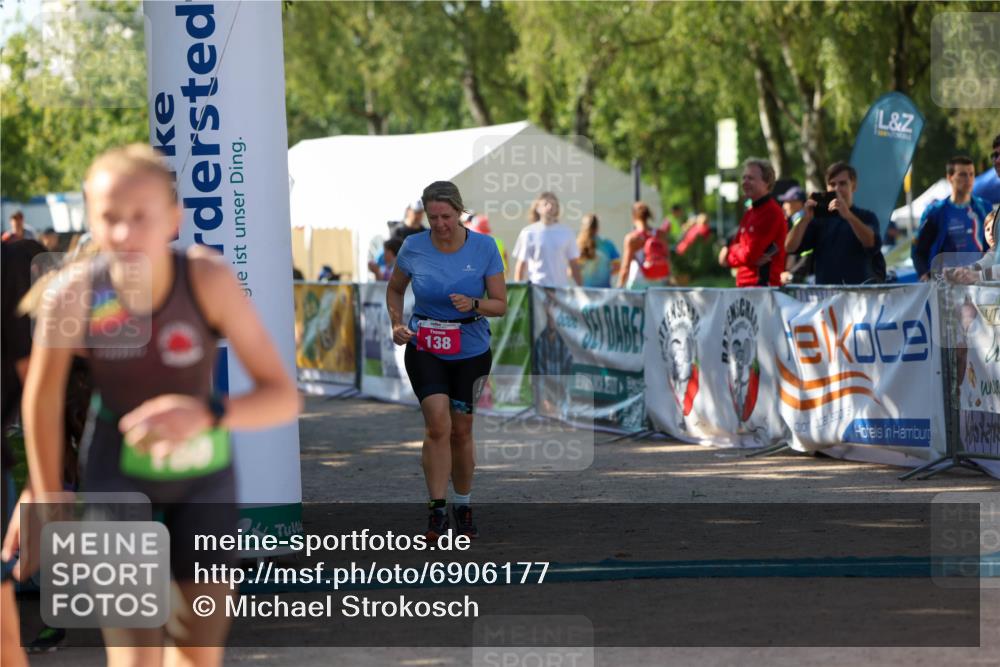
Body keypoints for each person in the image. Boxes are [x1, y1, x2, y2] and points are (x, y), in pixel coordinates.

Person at [3, 144, 300, 667]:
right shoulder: (72, 293)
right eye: (109, 218)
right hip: (116, 474)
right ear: (90, 219)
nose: (122, 233)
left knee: (195, 653)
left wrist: (208, 415)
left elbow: (282, 396)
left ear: (172, 218)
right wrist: (46, 492)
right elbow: (43, 395)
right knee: (137, 658)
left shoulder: (207, 279)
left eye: (140, 216)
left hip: (203, 478)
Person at [387, 181, 506, 540]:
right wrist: (396, 322)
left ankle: (464, 505)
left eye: (447, 216)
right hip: (426, 346)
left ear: (459, 212)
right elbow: (395, 288)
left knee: (462, 430)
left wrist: (473, 304)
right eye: (433, 216)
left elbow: (500, 304)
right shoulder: (413, 246)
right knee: (437, 425)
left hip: (470, 349)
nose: (439, 223)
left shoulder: (484, 247)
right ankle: (437, 510)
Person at [784, 162, 881, 285]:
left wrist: (848, 216)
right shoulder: (818, 220)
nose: (837, 189)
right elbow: (789, 247)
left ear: (854, 186)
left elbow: (871, 243)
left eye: (842, 183)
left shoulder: (866, 216)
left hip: (859, 296)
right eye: (832, 184)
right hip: (828, 298)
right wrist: (805, 218)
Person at [912, 156, 993, 280]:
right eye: (962, 175)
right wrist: (924, 275)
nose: (968, 179)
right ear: (950, 178)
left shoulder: (984, 207)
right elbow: (918, 250)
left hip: (977, 284)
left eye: (971, 174)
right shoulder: (935, 212)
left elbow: (994, 247)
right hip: (946, 286)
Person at [718, 158, 787, 287]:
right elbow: (741, 248)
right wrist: (736, 251)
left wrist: (729, 256)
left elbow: (750, 254)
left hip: (761, 288)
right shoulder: (751, 212)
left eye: (751, 178)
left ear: (766, 182)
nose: (745, 182)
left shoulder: (770, 212)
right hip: (745, 287)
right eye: (744, 178)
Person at [512, 192, 581, 286]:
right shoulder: (528, 233)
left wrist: (581, 288)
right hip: (537, 289)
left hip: (560, 290)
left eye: (553, 204)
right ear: (537, 208)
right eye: (546, 204)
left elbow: (574, 264)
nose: (550, 207)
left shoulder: (567, 232)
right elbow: (521, 265)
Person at [619, 201, 671, 289]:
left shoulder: (632, 238)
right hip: (658, 281)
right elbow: (667, 258)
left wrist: (619, 287)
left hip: (637, 281)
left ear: (633, 217)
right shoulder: (660, 234)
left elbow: (625, 267)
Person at [577, 213, 620, 288]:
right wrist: (605, 273)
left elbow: (571, 271)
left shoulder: (579, 245)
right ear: (598, 227)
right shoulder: (607, 244)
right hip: (604, 291)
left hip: (586, 291)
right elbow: (617, 267)